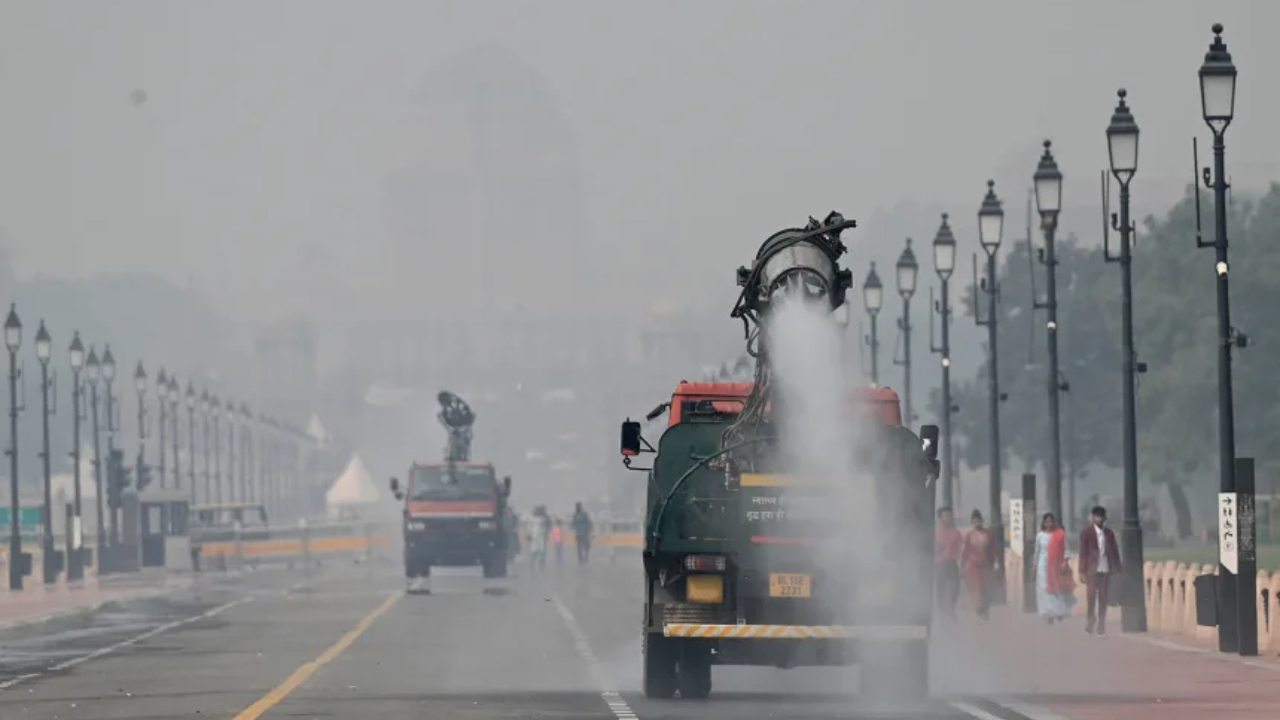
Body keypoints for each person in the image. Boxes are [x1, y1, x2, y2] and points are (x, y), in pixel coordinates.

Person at [1078, 505, 1121, 636]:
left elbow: (1114, 551)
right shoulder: (1087, 533)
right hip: (1092, 569)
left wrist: (1117, 568)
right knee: (1091, 596)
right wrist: (1081, 571)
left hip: (1105, 568)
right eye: (1096, 516)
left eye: (1101, 517)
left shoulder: (1109, 534)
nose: (1099, 519)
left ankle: (1101, 623)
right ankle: (1090, 620)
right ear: (1092, 518)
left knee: (1103, 598)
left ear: (1104, 518)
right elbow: (1083, 552)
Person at [1035, 513, 1076, 623]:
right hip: (1043, 565)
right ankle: (1048, 612)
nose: (1049, 523)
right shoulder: (1040, 536)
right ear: (1043, 523)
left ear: (1054, 522)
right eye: (1046, 521)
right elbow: (1037, 551)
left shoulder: (1060, 534)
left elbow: (1066, 549)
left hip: (1056, 564)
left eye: (1050, 521)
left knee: (1057, 588)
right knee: (1044, 588)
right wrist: (1034, 565)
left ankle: (1058, 611)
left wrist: (1064, 562)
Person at [960, 509, 998, 620]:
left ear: (982, 521)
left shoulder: (989, 534)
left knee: (987, 589)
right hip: (973, 567)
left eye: (979, 521)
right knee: (976, 589)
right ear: (972, 522)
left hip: (986, 565)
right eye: (975, 521)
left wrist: (995, 563)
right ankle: (979, 610)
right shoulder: (969, 535)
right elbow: (965, 551)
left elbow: (993, 549)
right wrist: (962, 565)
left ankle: (985, 609)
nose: (977, 523)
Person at [934, 507, 963, 620]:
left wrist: (962, 565)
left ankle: (951, 608)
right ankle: (941, 610)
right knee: (940, 588)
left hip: (952, 563)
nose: (949, 518)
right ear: (940, 518)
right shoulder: (936, 533)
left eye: (950, 516)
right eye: (946, 516)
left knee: (955, 587)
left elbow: (961, 549)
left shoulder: (956, 533)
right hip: (940, 564)